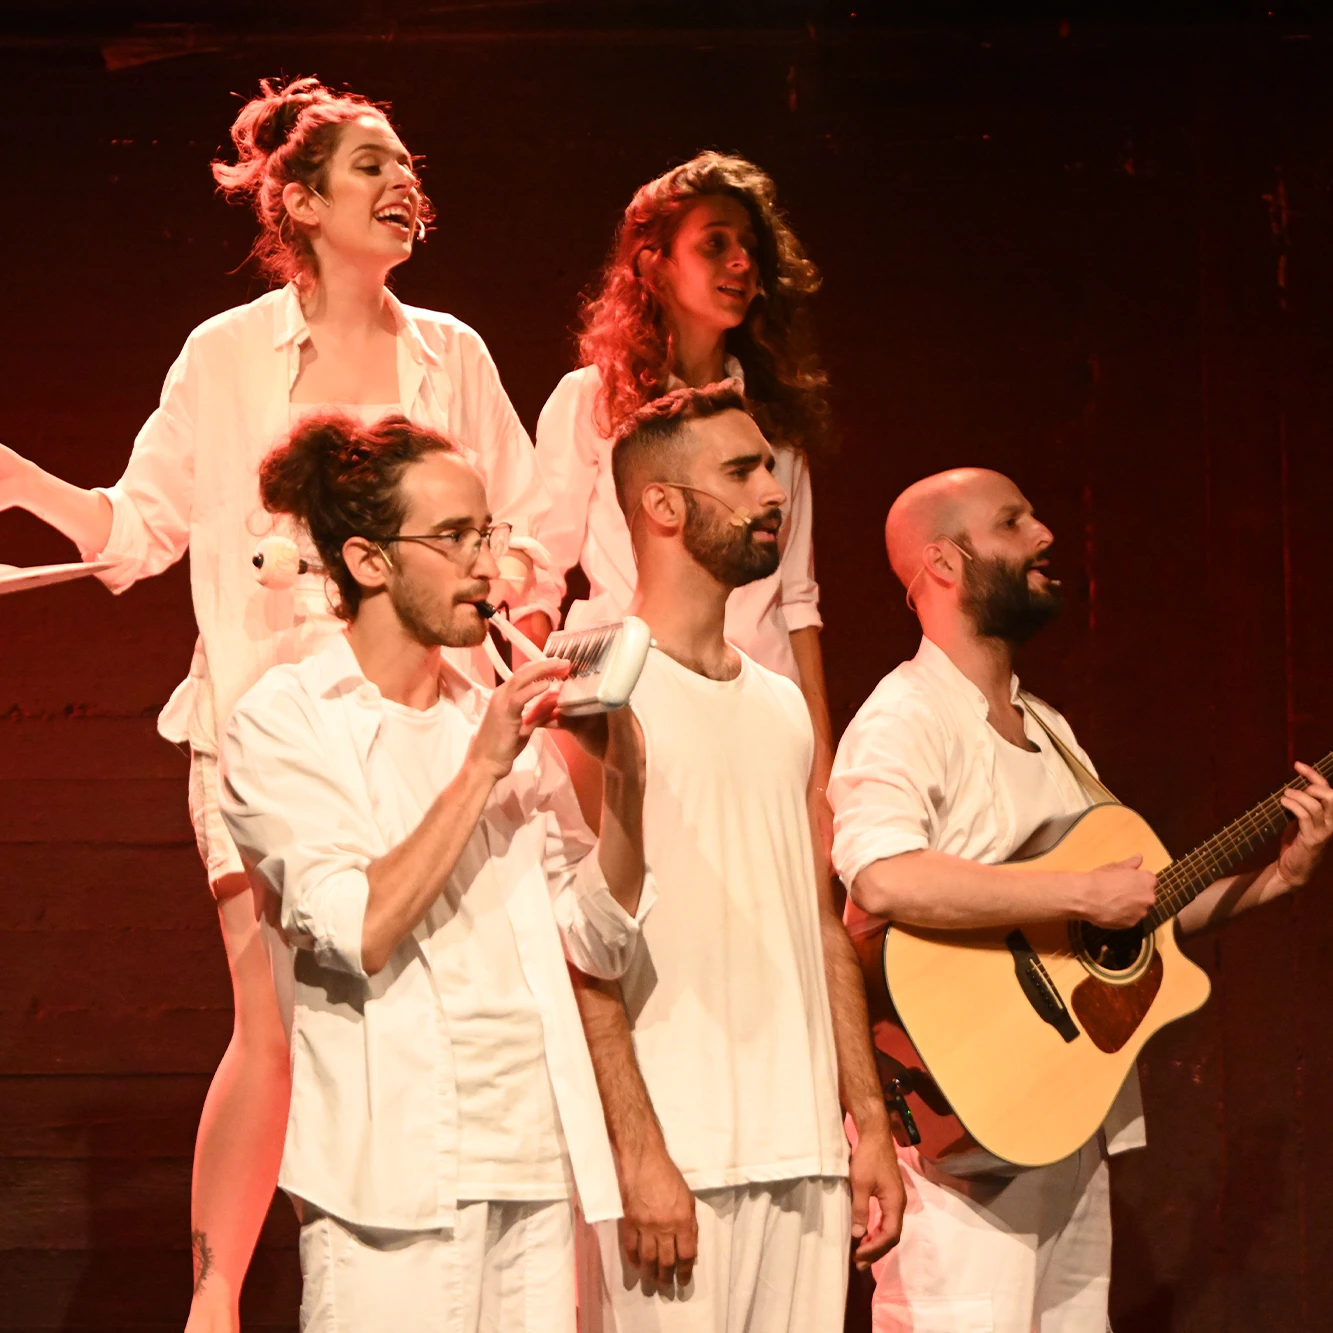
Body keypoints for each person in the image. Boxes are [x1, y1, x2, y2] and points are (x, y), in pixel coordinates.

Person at [0, 77, 556, 1332]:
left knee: (425, 1000)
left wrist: (488, 574)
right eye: (372, 166)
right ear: (299, 202)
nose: (404, 183)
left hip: (430, 730)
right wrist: (23, 481)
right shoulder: (225, 353)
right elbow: (138, 532)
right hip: (271, 732)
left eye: (408, 165)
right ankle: (216, 1301)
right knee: (274, 1018)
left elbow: (524, 533)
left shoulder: (452, 355)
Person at [831, 467, 1333, 1331]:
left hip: (1065, 1125)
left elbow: (1131, 917)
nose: (1044, 535)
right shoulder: (903, 717)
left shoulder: (1049, 727)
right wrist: (1077, 890)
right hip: (962, 1153)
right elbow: (881, 876)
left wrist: (1278, 878)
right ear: (944, 562)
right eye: (1012, 522)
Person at [217, 410, 650, 1331]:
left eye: (488, 533)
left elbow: (596, 938)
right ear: (369, 561)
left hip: (538, 1166)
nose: (489, 566)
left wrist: (625, 778)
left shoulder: (488, 717)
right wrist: (484, 762)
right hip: (393, 1188)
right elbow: (355, 927)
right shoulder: (285, 719)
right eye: (454, 537)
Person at [562, 383, 905, 1332]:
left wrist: (865, 1123)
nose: (773, 489)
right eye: (742, 470)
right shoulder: (586, 689)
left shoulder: (781, 704)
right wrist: (638, 1151)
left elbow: (818, 924)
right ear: (662, 506)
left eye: (770, 466)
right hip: (679, 1165)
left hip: (805, 1162)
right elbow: (574, 943)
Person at [525, 151, 838, 855]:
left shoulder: (774, 422)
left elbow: (796, 601)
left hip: (756, 702)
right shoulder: (592, 400)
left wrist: (821, 767)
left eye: (749, 247)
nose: (741, 263)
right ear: (655, 264)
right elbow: (541, 567)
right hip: (629, 695)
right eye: (714, 244)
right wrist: (537, 712)